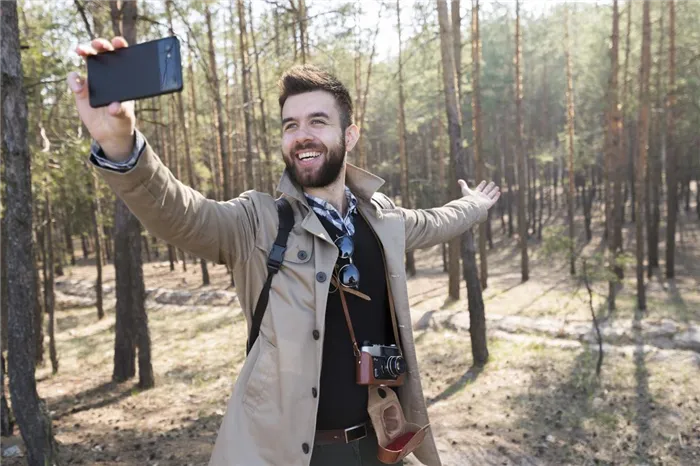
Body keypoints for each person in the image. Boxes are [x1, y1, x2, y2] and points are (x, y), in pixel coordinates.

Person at [68, 36, 500, 466]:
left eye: (317, 121)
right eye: (290, 125)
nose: (301, 135)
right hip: (296, 454)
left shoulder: (380, 218)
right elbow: (184, 215)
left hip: (379, 443)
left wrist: (475, 206)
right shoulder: (258, 222)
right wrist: (121, 147)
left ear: (349, 135)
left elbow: (437, 221)